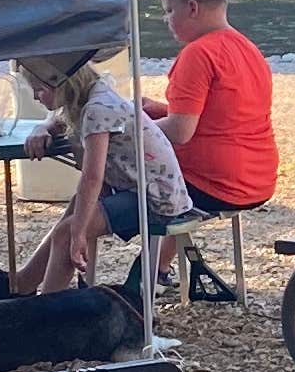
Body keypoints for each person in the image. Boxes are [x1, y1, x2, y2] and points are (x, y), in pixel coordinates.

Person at [140, 0, 279, 297]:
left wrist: (133, 129)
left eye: (168, 10)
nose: (165, 20)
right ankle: (158, 269)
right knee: (173, 179)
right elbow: (221, 116)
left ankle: (119, 276)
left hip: (217, 182)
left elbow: (179, 132)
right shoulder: (248, 49)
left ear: (192, 8)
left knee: (120, 179)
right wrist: (155, 111)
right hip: (258, 178)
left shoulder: (198, 54)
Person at [16, 51, 188, 298]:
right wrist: (42, 127)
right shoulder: (93, 93)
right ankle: (24, 285)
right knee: (77, 208)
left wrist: (78, 234)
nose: (35, 96)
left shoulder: (98, 109)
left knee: (67, 234)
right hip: (136, 187)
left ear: (61, 83)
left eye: (40, 89)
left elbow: (92, 177)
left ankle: (44, 316)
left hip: (155, 197)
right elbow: (58, 121)